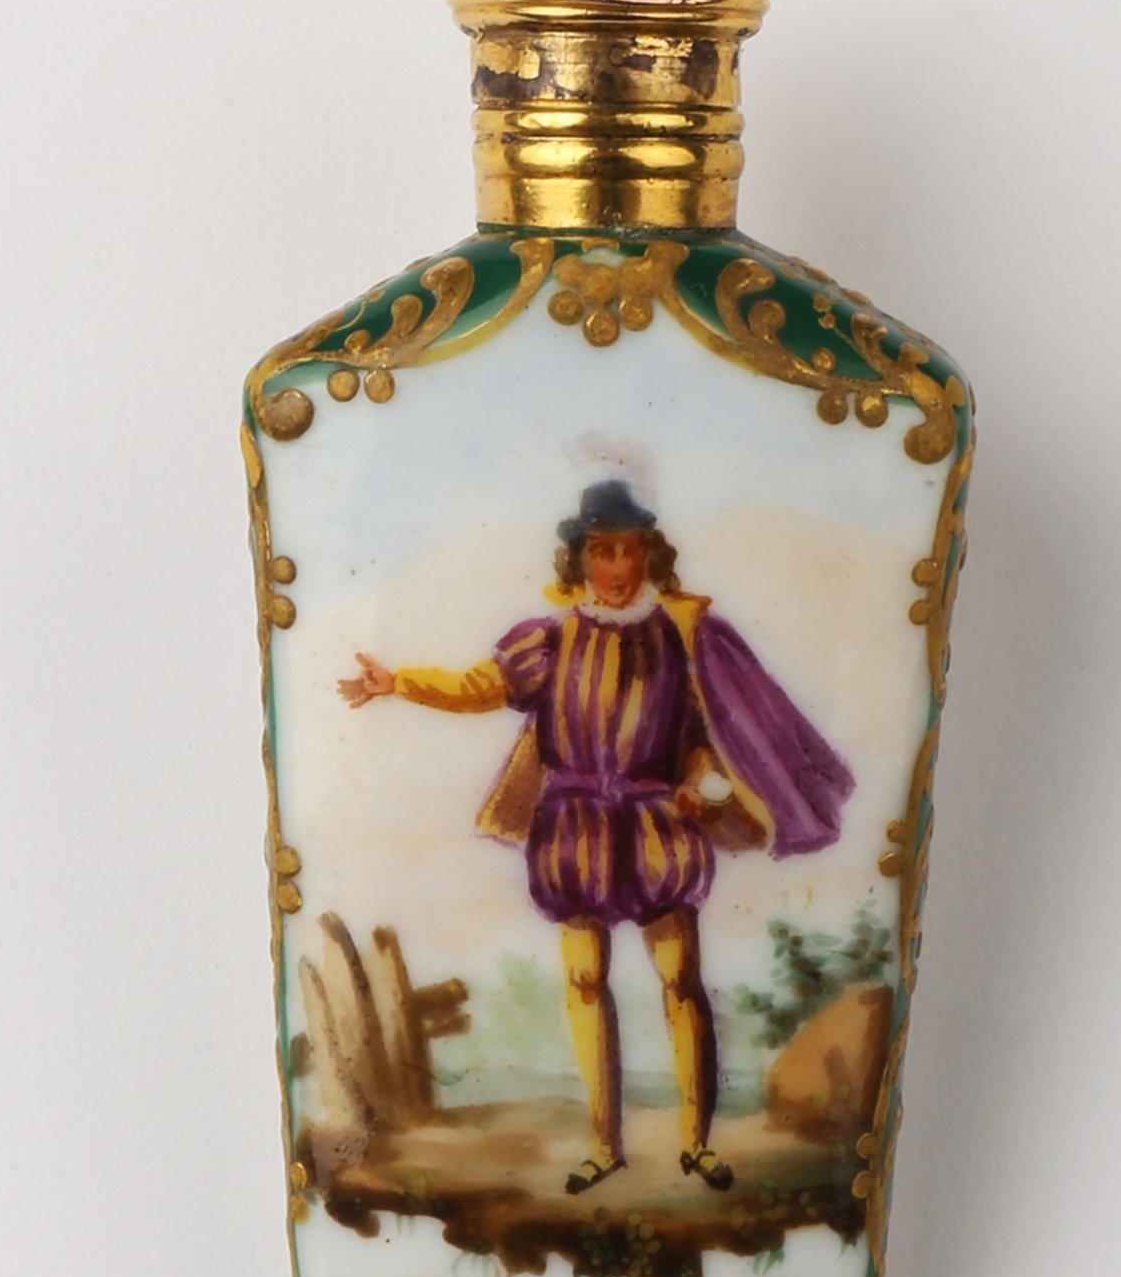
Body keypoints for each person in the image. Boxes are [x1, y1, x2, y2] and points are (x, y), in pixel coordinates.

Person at [338, 479, 853, 1195]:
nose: (617, 567)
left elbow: (707, 736)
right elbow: (481, 687)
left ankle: (697, 1144)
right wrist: (399, 683)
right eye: (602, 551)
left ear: (650, 555)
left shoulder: (681, 635)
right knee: (584, 982)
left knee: (681, 982)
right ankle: (605, 1146)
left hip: (656, 825)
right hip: (575, 827)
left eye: (629, 551)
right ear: (579, 559)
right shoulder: (551, 639)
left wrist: (702, 789)